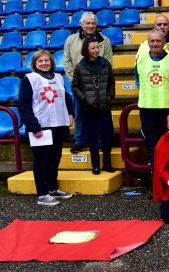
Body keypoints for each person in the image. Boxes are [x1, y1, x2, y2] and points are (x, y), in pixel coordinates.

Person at [18, 50, 74, 206]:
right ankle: (42, 194)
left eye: (46, 60)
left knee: (54, 159)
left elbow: (66, 98)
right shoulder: (30, 79)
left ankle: (53, 188)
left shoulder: (59, 78)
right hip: (40, 127)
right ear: (35, 64)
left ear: (51, 62)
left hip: (58, 125)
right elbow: (23, 105)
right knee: (42, 160)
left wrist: (70, 113)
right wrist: (33, 125)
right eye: (40, 61)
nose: (44, 63)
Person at [63, 11, 113, 154]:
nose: (90, 26)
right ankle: (80, 141)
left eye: (93, 23)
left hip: (98, 86)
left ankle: (98, 143)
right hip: (78, 87)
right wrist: (77, 83)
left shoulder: (105, 41)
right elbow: (67, 62)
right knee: (79, 114)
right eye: (87, 23)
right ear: (81, 24)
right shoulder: (70, 40)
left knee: (98, 116)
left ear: (96, 24)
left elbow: (108, 63)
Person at [135, 30, 169, 164]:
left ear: (164, 42)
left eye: (158, 41)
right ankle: (154, 165)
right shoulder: (141, 59)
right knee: (150, 139)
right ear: (148, 42)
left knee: (168, 138)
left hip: (167, 108)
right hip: (147, 107)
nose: (155, 44)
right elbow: (138, 80)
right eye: (152, 41)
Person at [71, 37, 115, 175]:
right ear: (86, 49)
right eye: (93, 48)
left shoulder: (105, 64)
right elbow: (75, 87)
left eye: (98, 47)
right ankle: (95, 165)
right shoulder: (80, 66)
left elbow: (111, 83)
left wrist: (109, 97)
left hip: (104, 107)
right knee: (92, 138)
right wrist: (85, 99)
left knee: (107, 136)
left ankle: (107, 164)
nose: (96, 50)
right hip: (88, 109)